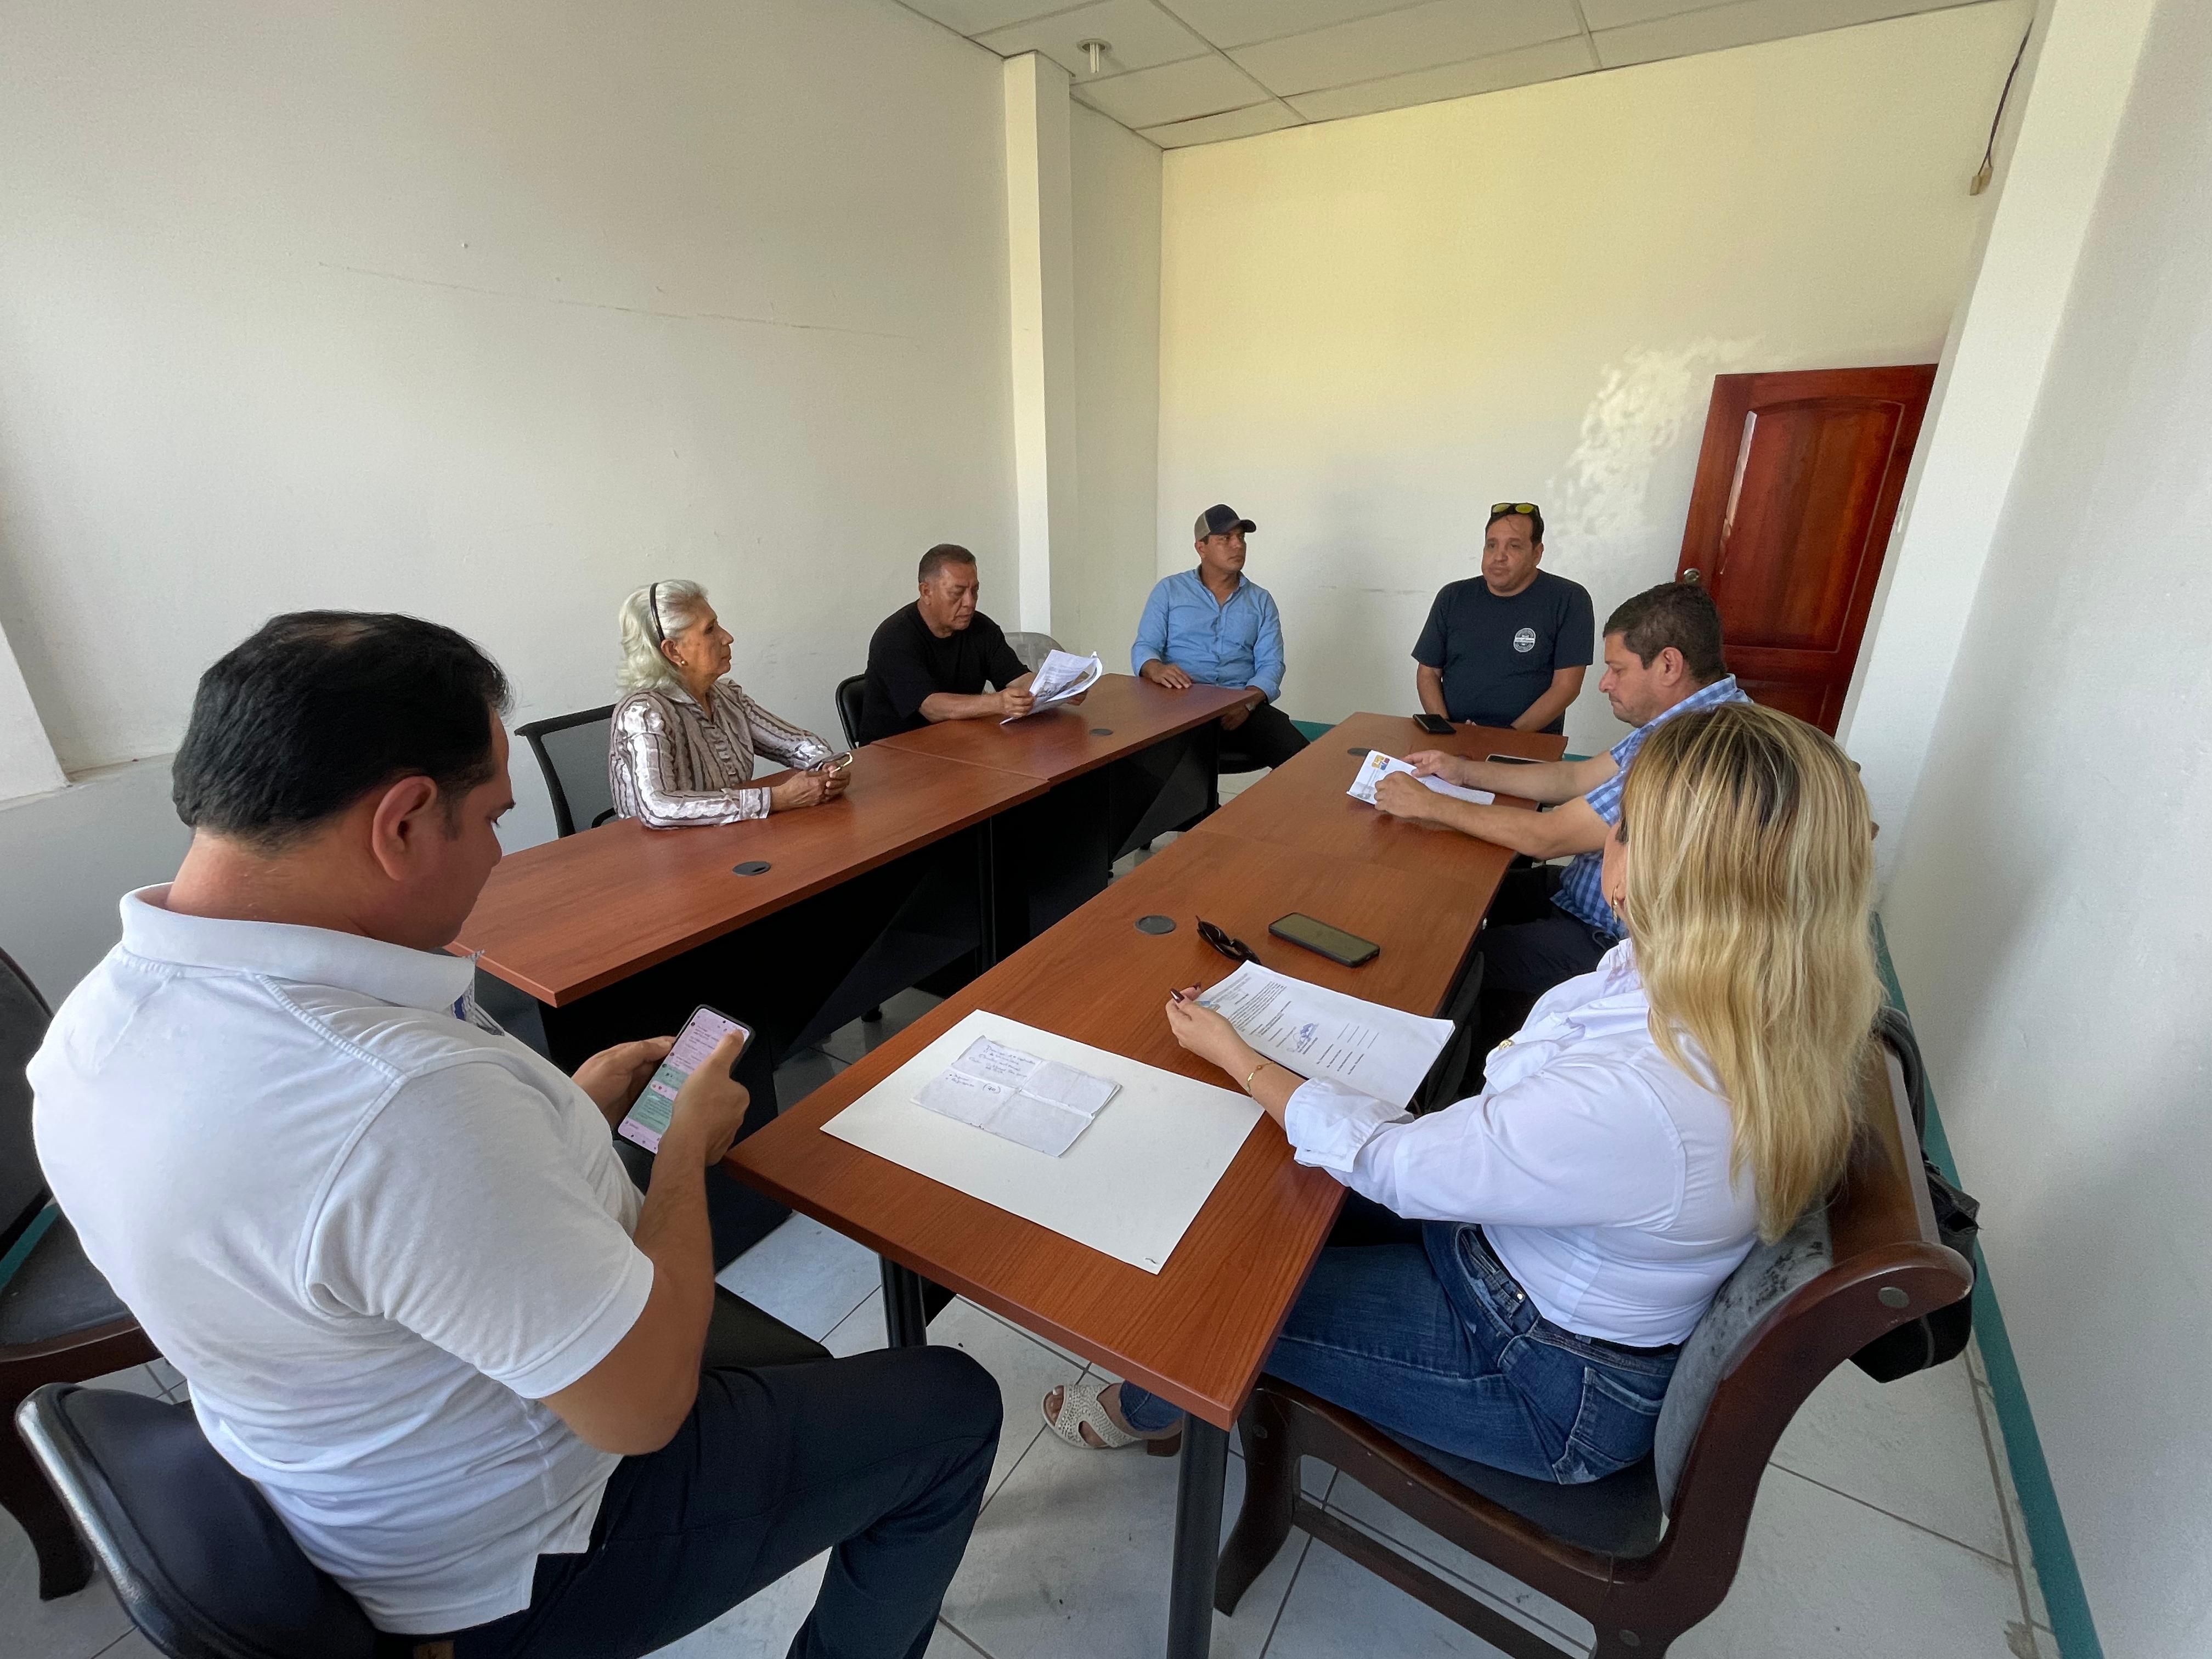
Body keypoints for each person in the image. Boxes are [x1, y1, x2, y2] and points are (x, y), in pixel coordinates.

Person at [30, 612, 1000, 1659]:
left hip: (338, 1466)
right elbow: (642, 1408)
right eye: (492, 817)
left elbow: (366, 1229)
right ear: (402, 821)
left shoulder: (90, 1026)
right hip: (518, 1550)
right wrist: (682, 1151)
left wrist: (562, 1110)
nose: (499, 851)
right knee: (951, 1403)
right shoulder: (397, 1101)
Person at [1042, 701, 1881, 1481]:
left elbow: (1395, 1163)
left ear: (1659, 876)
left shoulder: (1642, 1093)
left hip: (1539, 1372)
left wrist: (1241, 1057)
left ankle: (1143, 1407)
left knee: (1213, 1299)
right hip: (1529, 1259)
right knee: (1261, 1194)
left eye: (1622, 829)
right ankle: (1177, 1387)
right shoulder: (1756, 996)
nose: (1603, 846)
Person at [1376, 582, 1747, 1025]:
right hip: (1582, 895)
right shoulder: (1684, 720)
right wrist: (1462, 770)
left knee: (1445, 959)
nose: (1604, 684)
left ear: (1668, 665)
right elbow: (1574, 777)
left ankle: (1473, 1058)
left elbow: (1547, 838)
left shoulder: (1696, 748)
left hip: (1608, 940)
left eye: (1617, 669)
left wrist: (1429, 805)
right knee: (1452, 896)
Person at [610, 579, 847, 826]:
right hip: (658, 848)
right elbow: (658, 808)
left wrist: (826, 767)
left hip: (730, 839)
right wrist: (775, 799)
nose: (727, 637)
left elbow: (795, 744)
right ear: (674, 651)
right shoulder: (643, 714)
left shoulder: (726, 697)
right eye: (710, 630)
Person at [1131, 504, 1307, 771]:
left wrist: (1247, 703)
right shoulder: (1169, 591)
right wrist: (1155, 668)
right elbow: (1145, 646)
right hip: (1179, 707)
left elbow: (1271, 664)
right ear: (1201, 548)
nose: (1238, 545)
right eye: (1225, 538)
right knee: (1150, 766)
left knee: (1302, 760)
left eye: (1241, 538)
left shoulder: (1261, 601)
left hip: (1239, 708)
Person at [1412, 501, 1593, 733]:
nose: (1499, 556)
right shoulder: (1453, 597)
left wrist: (1507, 737)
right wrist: (1445, 730)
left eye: (1514, 546)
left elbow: (1566, 687)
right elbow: (1428, 672)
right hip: (1453, 738)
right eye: (1491, 545)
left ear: (1537, 554)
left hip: (1527, 742)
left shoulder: (1569, 599)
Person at [858, 544, 1037, 743]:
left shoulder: (982, 628)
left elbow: (1018, 678)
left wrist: (1049, 687)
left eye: (975, 591)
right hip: (895, 749)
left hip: (960, 739)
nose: (970, 602)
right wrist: (997, 703)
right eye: (957, 593)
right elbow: (931, 707)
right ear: (926, 591)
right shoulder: (894, 637)